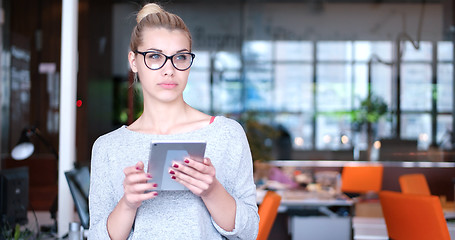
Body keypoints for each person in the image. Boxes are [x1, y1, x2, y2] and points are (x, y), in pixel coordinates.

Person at [88, 3, 259, 240]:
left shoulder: (227, 134)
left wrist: (211, 191)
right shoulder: (108, 147)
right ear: (133, 61)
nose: (169, 70)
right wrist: (128, 204)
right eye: (155, 56)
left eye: (180, 57)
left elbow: (250, 232)